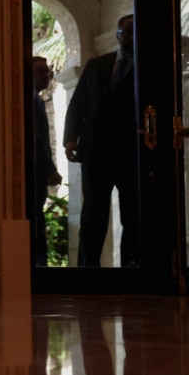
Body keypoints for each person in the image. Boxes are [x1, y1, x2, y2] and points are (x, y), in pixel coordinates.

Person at [62, 14, 138, 267]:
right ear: (118, 35)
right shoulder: (96, 66)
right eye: (128, 31)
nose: (133, 36)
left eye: (136, 32)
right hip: (96, 152)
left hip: (133, 153)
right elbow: (78, 104)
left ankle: (132, 270)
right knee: (93, 214)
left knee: (133, 216)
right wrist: (70, 139)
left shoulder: (148, 69)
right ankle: (88, 271)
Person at [31, 56, 62, 265]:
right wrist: (50, 169)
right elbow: (38, 138)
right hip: (34, 172)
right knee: (35, 222)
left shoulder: (35, 99)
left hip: (36, 171)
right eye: (41, 71)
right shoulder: (34, 100)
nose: (47, 75)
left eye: (47, 71)